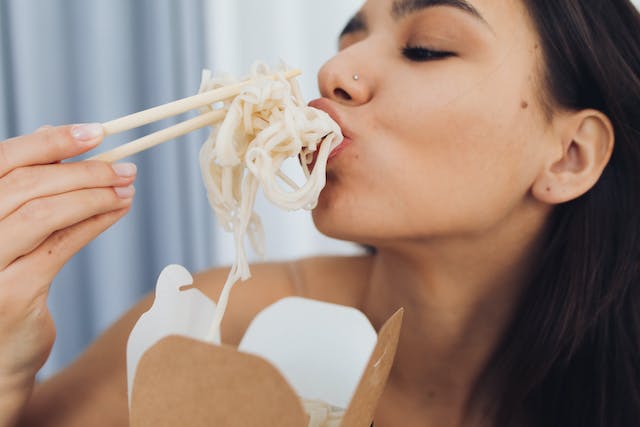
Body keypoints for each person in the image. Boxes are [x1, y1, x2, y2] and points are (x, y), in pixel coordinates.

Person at [1, 0, 639, 425]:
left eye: (426, 49)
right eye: (349, 40)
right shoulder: (214, 327)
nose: (335, 70)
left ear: (570, 157)